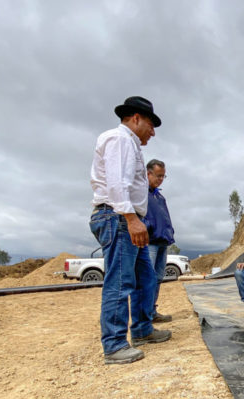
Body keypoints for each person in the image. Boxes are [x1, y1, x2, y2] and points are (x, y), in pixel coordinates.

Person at [89, 96, 172, 365]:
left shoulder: (131, 144)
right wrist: (131, 219)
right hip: (118, 217)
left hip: (126, 217)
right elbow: (116, 183)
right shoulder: (120, 139)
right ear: (135, 118)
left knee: (145, 278)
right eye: (150, 123)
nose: (153, 131)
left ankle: (142, 330)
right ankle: (113, 345)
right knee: (121, 282)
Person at [144, 159, 175, 323]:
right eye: (158, 176)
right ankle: (144, 316)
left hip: (162, 242)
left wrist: (170, 232)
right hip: (150, 242)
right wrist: (148, 227)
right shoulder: (141, 193)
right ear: (148, 173)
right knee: (148, 279)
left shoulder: (159, 196)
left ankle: (152, 311)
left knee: (157, 278)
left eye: (163, 176)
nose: (161, 179)